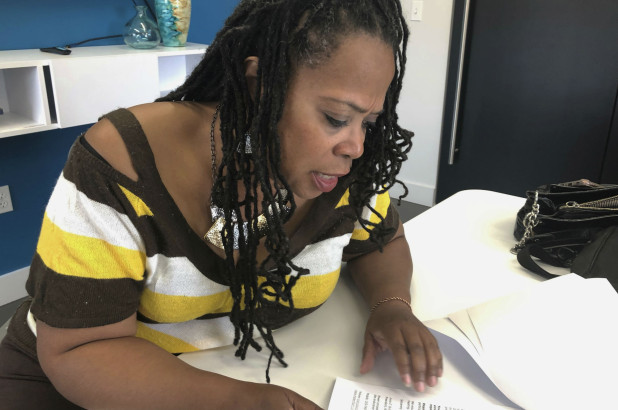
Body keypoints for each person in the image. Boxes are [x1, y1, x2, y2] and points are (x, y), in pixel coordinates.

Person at [0, 0, 443, 408]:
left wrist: (391, 305)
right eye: (336, 118)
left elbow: (381, 239)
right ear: (260, 87)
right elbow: (81, 349)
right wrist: (241, 401)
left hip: (236, 372)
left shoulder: (343, 168)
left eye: (370, 122)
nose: (356, 146)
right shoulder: (124, 164)